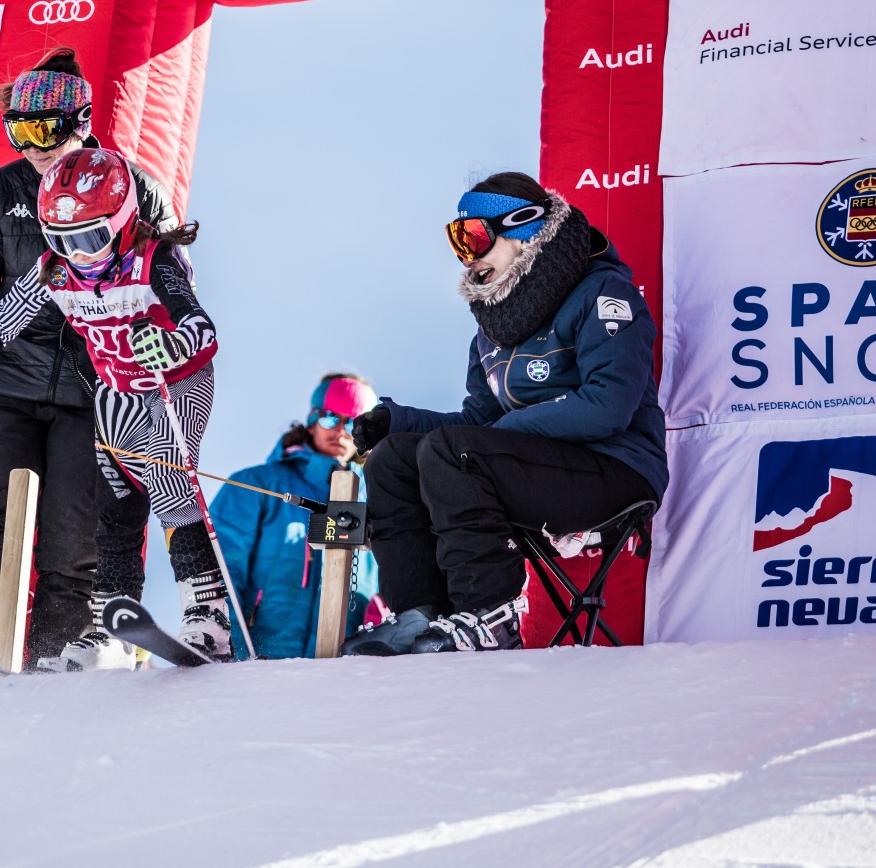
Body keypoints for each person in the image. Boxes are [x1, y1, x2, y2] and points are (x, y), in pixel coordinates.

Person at [0, 50, 177, 683]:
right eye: (18, 132)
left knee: (74, 526)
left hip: (95, 388)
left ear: (81, 120)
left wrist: (154, 372)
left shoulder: (130, 183)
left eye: (46, 131)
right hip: (7, 382)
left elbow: (164, 281)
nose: (34, 148)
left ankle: (59, 648)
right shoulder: (4, 191)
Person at [343, 172, 668, 655]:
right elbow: (479, 420)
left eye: (473, 235)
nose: (467, 255)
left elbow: (608, 406)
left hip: (615, 470)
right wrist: (399, 421)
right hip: (530, 467)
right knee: (393, 459)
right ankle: (419, 616)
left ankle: (488, 614)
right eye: (458, 241)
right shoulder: (493, 328)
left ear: (524, 228)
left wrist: (501, 432)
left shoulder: (603, 296)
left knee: (457, 453)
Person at [0, 147, 229, 668]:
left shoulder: (151, 258)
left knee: (165, 483)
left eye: (91, 238)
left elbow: (201, 328)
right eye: (61, 239)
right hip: (114, 388)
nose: (79, 254)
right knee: (112, 505)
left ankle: (208, 618)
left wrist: (172, 345)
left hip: (173, 383)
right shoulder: (57, 270)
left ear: (119, 222)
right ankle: (108, 627)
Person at [213, 374, 381, 659]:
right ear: (312, 420)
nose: (341, 431)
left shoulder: (380, 502)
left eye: (353, 423)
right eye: (330, 418)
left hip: (346, 675)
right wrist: (234, 650)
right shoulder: (257, 484)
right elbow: (223, 570)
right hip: (260, 663)